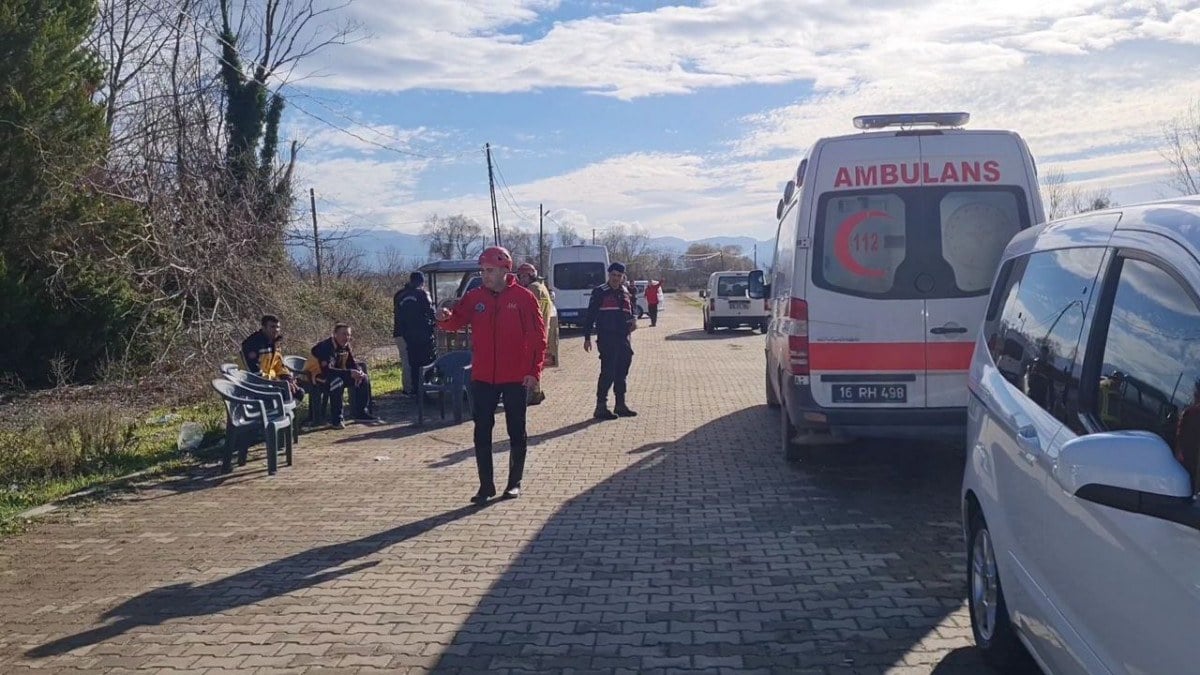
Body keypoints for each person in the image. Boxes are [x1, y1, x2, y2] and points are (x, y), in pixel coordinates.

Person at [437, 246, 546, 504]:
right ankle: (486, 486)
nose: (484, 275)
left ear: (505, 270)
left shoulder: (524, 298)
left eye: (489, 271)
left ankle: (514, 483)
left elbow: (537, 338)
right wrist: (444, 318)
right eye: (483, 270)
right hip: (483, 377)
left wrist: (534, 371)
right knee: (482, 431)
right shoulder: (475, 297)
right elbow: (455, 322)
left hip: (516, 377)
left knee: (516, 430)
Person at [583, 261, 638, 420]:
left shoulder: (625, 292)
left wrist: (634, 320)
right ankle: (601, 407)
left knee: (622, 371)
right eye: (613, 275)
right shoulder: (600, 292)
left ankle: (620, 405)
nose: (616, 278)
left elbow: (631, 309)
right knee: (608, 372)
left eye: (619, 276)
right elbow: (590, 315)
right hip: (607, 337)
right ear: (609, 275)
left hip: (623, 337)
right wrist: (587, 337)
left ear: (623, 277)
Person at [303, 323, 376, 430]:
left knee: (363, 378)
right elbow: (327, 370)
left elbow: (352, 363)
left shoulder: (345, 346)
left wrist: (358, 371)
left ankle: (361, 413)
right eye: (343, 334)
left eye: (348, 335)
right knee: (337, 383)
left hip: (335, 374)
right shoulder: (325, 347)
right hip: (317, 376)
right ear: (335, 334)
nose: (346, 337)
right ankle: (337, 420)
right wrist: (349, 373)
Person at [516, 262, 557, 404]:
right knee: (537, 363)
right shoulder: (542, 287)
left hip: (533, 331)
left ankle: (532, 393)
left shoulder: (532, 289)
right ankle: (536, 392)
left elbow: (526, 311)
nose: (521, 280)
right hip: (543, 330)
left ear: (530, 276)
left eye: (523, 276)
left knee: (530, 364)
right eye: (520, 277)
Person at [240, 314, 304, 402]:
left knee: (299, 392)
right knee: (284, 393)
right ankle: (274, 410)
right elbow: (253, 372)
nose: (276, 330)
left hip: (269, 381)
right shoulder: (252, 343)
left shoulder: (274, 343)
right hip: (251, 384)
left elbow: (279, 365)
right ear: (263, 327)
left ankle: (286, 409)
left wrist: (287, 378)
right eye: (272, 327)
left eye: (278, 327)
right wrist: (277, 382)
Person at [394, 271, 437, 399]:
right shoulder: (422, 294)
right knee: (425, 362)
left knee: (409, 363)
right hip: (422, 335)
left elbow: (398, 314)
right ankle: (425, 389)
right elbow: (431, 312)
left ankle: (410, 390)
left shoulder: (399, 295)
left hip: (403, 334)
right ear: (422, 282)